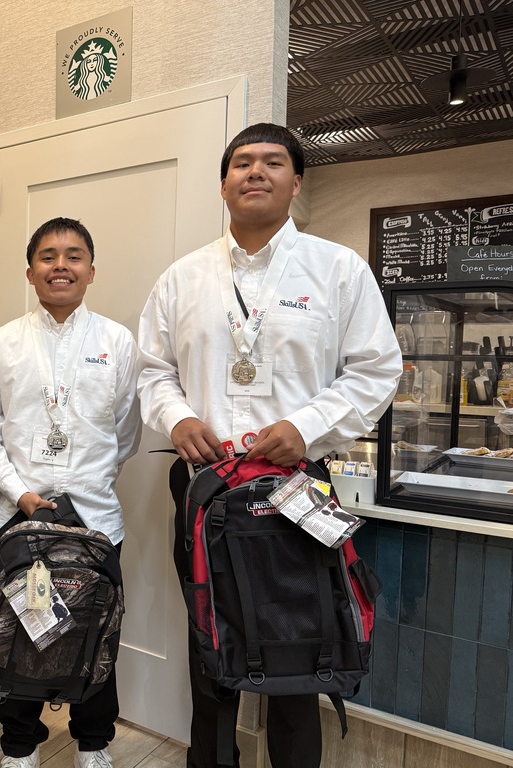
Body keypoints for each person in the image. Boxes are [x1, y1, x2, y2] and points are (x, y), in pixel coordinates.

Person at [136, 123, 402, 768]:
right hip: (206, 483)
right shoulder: (182, 278)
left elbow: (377, 369)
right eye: (242, 163)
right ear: (224, 183)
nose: (256, 172)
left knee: (298, 646)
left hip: (296, 487)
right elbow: (152, 369)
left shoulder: (337, 269)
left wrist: (307, 426)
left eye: (273, 162)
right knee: (210, 641)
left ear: (296, 182)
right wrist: (175, 418)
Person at [0, 217, 141, 768]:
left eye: (72, 256)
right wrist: (19, 493)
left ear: (91, 270)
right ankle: (19, 746)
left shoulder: (116, 341)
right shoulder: (4, 343)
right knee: (20, 635)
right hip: (19, 522)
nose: (59, 265)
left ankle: (94, 743)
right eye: (47, 256)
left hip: (95, 522)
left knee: (96, 633)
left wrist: (84, 481)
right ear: (30, 271)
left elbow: (126, 433)